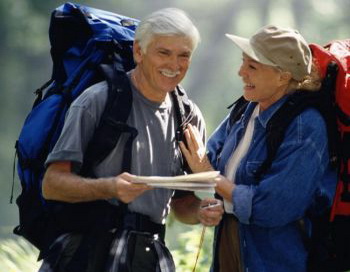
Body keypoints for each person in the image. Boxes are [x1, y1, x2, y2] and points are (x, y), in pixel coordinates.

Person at [39, 7, 223, 272]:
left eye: (184, 55)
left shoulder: (188, 116)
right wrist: (111, 187)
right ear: (139, 51)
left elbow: (181, 205)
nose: (175, 65)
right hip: (88, 253)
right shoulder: (97, 101)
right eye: (164, 53)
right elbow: (52, 184)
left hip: (149, 257)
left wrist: (201, 211)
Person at [179, 25, 337, 272]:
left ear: (283, 76)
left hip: (275, 262)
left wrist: (212, 176)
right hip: (230, 250)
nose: (241, 72)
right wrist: (218, 201)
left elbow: (271, 208)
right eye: (243, 63)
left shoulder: (305, 127)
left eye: (252, 67)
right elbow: (208, 160)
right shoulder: (247, 108)